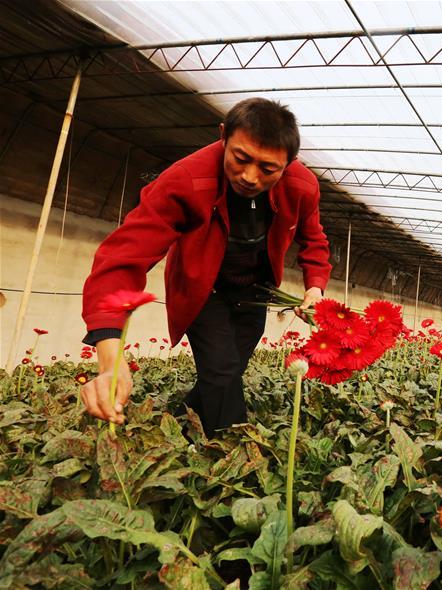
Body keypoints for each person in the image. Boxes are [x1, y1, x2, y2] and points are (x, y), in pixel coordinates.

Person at [79, 98, 332, 433]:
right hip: (202, 290)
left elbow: (314, 240)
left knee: (225, 374)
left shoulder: (302, 186)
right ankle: (236, 451)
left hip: (256, 292)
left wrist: (315, 288)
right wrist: (111, 360)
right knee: (222, 371)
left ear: (290, 162)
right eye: (240, 158)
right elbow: (122, 259)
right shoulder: (185, 179)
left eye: (268, 169)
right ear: (223, 135)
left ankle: (180, 426)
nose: (249, 176)